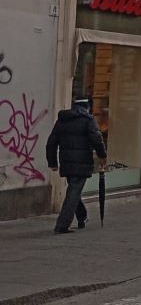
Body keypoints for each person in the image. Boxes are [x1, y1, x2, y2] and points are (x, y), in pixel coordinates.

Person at [45, 98, 107, 234]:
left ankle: (82, 216)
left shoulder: (62, 120)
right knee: (73, 192)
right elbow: (97, 139)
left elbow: (51, 142)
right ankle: (62, 225)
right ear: (87, 107)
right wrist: (103, 155)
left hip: (66, 163)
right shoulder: (88, 120)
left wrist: (53, 163)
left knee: (74, 190)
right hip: (82, 162)